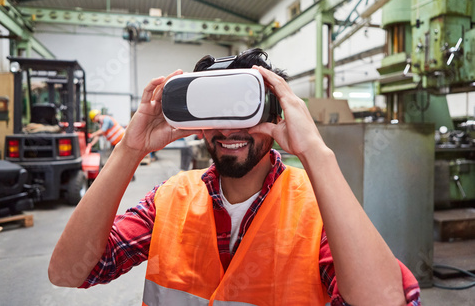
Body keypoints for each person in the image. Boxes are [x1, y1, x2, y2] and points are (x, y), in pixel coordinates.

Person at [49, 48, 421, 305]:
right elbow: (68, 272)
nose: (229, 128)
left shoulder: (318, 209)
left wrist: (316, 154)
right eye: (215, 109)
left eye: (246, 108)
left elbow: (386, 301)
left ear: (277, 114)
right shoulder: (170, 198)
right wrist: (129, 149)